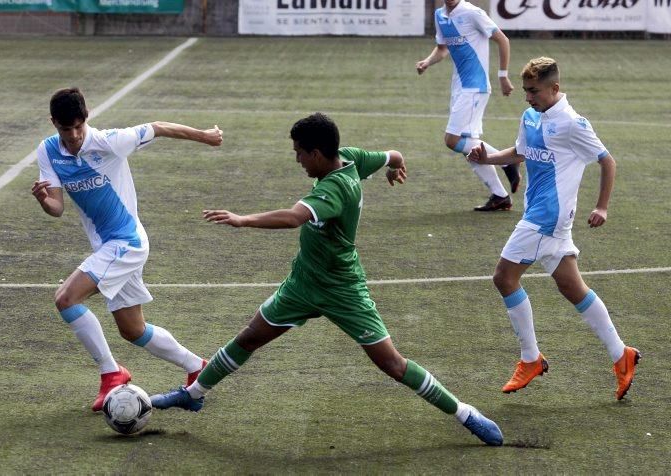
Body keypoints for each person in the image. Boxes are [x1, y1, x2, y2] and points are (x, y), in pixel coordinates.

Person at [150, 113, 504, 446]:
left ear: (317, 153)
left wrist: (242, 220)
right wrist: (395, 166)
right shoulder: (350, 157)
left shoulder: (335, 189)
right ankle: (192, 396)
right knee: (250, 337)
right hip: (303, 283)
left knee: (392, 364)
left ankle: (466, 414)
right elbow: (393, 154)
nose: (298, 161)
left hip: (342, 288)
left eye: (300, 154)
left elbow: (293, 218)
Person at [32, 87, 223, 411]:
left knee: (66, 299)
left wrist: (204, 136)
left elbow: (158, 127)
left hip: (127, 243)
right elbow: (57, 208)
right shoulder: (48, 151)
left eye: (79, 126)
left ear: (86, 117)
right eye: (67, 129)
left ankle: (112, 374)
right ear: (54, 124)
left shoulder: (109, 141)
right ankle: (196, 366)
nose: (75, 135)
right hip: (110, 247)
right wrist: (43, 199)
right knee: (132, 330)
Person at [467, 57, 640, 400]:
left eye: (534, 91)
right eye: (526, 91)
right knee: (571, 286)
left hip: (547, 218)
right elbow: (520, 152)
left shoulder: (573, 124)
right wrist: (487, 159)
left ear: (554, 89)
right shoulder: (530, 115)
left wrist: (601, 206)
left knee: (504, 277)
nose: (528, 97)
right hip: (543, 214)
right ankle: (622, 355)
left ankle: (530, 358)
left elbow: (607, 161)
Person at [416, 0, 519, 211]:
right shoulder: (440, 15)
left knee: (452, 140)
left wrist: (503, 76)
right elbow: (442, 49)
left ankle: (508, 162)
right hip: (459, 87)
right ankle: (500, 196)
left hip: (475, 87)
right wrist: (427, 61)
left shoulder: (473, 13)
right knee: (467, 145)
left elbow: (503, 40)